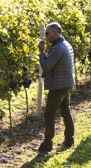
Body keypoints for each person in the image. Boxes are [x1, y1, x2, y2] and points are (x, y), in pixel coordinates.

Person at [37, 22, 75, 152]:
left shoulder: (58, 48)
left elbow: (47, 66)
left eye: (47, 33)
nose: (45, 36)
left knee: (49, 114)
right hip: (67, 83)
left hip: (58, 86)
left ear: (55, 33)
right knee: (65, 111)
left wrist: (42, 53)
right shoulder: (66, 44)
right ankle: (69, 139)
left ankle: (47, 143)